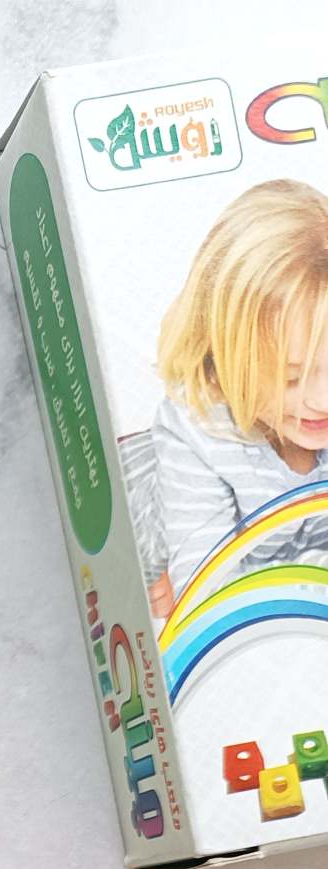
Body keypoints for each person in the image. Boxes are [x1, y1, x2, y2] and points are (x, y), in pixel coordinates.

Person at [150, 178, 328, 619]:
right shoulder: (196, 428)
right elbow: (211, 600)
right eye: (290, 377)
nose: (322, 400)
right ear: (225, 354)